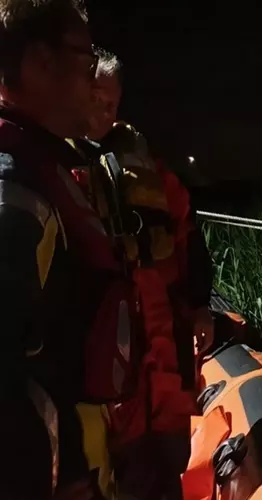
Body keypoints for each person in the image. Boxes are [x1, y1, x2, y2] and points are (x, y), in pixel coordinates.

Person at [0, 1, 136, 499]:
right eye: (85, 60)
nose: (94, 79)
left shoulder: (45, 170)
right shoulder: (13, 193)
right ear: (38, 64)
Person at [72, 47, 215, 500]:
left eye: (111, 104)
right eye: (95, 98)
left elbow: (189, 239)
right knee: (123, 475)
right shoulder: (57, 172)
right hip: (110, 374)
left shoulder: (151, 172)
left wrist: (201, 307)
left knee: (170, 465)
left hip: (165, 359)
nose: (103, 112)